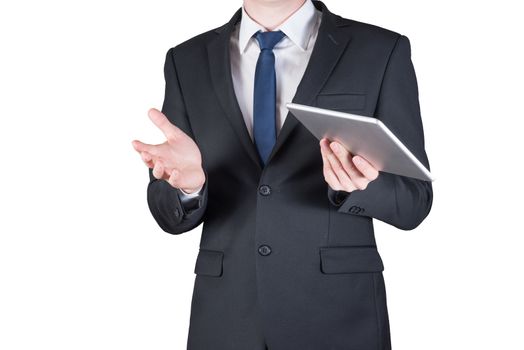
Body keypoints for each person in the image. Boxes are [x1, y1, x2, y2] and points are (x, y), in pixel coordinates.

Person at [131, 0, 433, 349]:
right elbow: (169, 211)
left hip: (339, 316)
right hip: (226, 319)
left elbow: (415, 200)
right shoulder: (186, 60)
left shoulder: (379, 50)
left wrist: (357, 187)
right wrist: (189, 188)